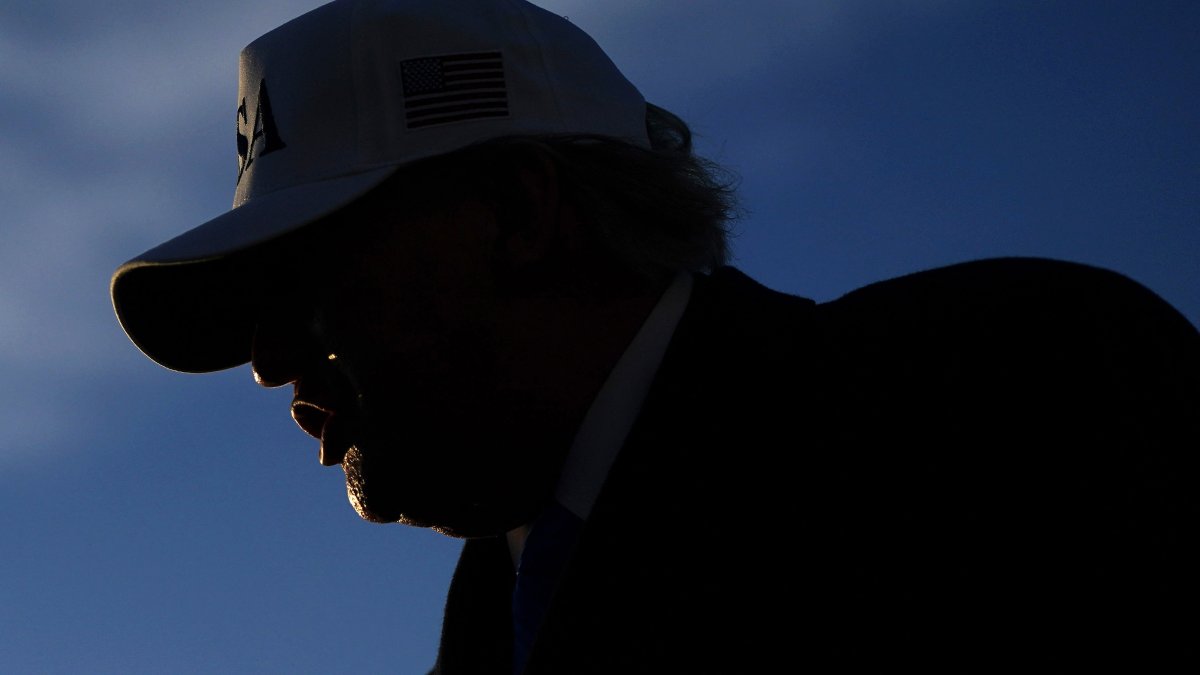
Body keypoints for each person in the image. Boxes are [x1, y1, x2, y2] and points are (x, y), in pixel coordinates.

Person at [110, 0, 1199, 672]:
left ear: (522, 214)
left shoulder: (1014, 391)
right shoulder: (499, 605)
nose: (268, 361)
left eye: (311, 275)